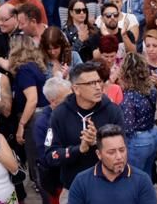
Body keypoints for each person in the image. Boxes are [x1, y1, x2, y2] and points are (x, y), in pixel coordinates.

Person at [46, 61, 125, 194]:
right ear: (76, 89)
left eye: (98, 81)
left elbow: (124, 149)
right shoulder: (59, 114)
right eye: (91, 83)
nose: (98, 87)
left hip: (107, 187)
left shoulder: (113, 111)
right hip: (73, 189)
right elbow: (50, 156)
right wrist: (79, 149)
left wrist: (97, 142)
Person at [66, 124, 156, 204]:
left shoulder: (142, 181)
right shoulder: (81, 182)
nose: (119, 157)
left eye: (122, 150)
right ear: (99, 154)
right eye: (111, 152)